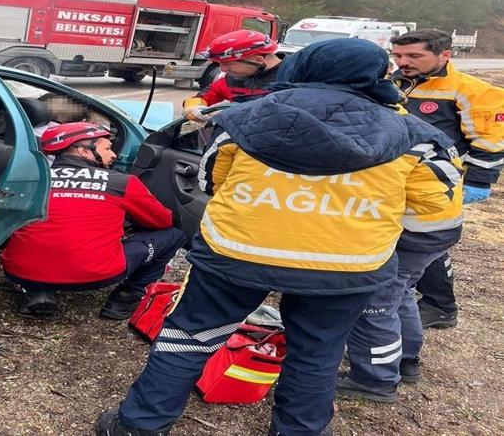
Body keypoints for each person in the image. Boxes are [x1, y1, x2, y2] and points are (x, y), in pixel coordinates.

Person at [96, 39, 460, 436]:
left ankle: (138, 426)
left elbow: (211, 180)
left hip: (235, 255)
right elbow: (434, 213)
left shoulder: (243, 120)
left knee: (190, 338)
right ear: (377, 75)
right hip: (345, 267)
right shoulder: (417, 138)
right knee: (315, 355)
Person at [0, 122, 186, 319]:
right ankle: (124, 299)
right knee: (174, 235)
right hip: (96, 274)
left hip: (18, 271)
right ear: (84, 151)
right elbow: (162, 221)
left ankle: (38, 291)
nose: (114, 155)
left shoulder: (33, 179)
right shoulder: (121, 182)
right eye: (107, 148)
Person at [391, 29, 503, 329]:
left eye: (414, 56)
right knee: (411, 242)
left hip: (442, 180)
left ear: (444, 55)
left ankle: (439, 306)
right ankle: (424, 299)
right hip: (405, 175)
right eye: (398, 55)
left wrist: (479, 181)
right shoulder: (398, 82)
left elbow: (491, 139)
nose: (403, 61)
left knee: (426, 242)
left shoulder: (469, 90)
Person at [182, 30, 284, 121]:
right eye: (220, 64)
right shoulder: (233, 79)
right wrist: (193, 107)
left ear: (259, 60)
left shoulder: (293, 78)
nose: (222, 69)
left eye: (227, 63)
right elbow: (205, 95)